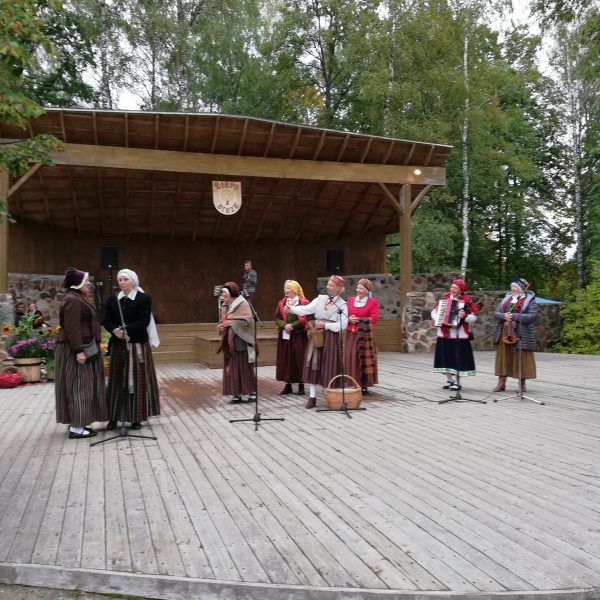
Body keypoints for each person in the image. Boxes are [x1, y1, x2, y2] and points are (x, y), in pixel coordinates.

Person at [103, 269, 160, 430]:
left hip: (137, 346)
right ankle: (113, 417)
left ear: (132, 281)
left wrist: (127, 331)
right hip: (118, 345)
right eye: (120, 280)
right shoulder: (113, 299)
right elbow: (106, 320)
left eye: (125, 279)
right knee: (116, 381)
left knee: (137, 380)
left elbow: (143, 320)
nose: (122, 282)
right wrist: (115, 330)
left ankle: (136, 417)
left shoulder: (143, 298)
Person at [55, 268, 106, 438]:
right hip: (75, 349)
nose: (89, 283)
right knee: (79, 386)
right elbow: (72, 328)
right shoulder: (73, 300)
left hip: (81, 347)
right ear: (77, 283)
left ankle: (79, 423)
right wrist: (79, 351)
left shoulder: (77, 297)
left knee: (81, 386)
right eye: (86, 281)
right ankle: (76, 428)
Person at [287, 275, 348, 409]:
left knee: (329, 364)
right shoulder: (320, 299)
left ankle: (332, 396)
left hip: (330, 337)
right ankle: (312, 397)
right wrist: (291, 308)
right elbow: (306, 309)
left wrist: (326, 325)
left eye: (331, 285)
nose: (328, 287)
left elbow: (343, 324)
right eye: (328, 284)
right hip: (317, 335)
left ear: (338, 289)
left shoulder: (342, 305)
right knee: (313, 363)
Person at [492, 277, 538, 393]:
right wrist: (504, 316)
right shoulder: (507, 299)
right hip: (505, 331)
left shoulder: (529, 300)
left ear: (522, 288)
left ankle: (522, 383)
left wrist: (515, 316)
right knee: (503, 356)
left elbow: (533, 316)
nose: (512, 289)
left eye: (515, 287)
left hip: (521, 332)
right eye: (512, 287)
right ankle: (501, 382)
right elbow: (496, 313)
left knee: (521, 356)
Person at [431, 278, 478, 390]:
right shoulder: (444, 299)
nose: (452, 289)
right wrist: (439, 319)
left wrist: (465, 316)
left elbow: (474, 317)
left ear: (461, 290)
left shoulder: (466, 301)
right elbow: (434, 312)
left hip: (459, 334)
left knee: (457, 358)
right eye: (452, 287)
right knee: (445, 357)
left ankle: (457, 382)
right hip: (444, 334)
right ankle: (450, 380)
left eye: (455, 288)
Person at [217, 282, 257, 403]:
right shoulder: (225, 306)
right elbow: (222, 321)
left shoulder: (242, 303)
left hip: (241, 341)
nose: (222, 294)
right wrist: (221, 326)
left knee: (244, 367)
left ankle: (252, 392)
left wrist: (231, 323)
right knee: (232, 368)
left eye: (225, 292)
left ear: (231, 293)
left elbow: (249, 322)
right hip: (229, 342)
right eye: (222, 292)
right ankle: (236, 393)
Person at [344, 278, 379, 395]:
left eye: (361, 288)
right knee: (351, 357)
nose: (358, 290)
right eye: (358, 288)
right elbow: (344, 314)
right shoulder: (350, 300)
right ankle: (351, 382)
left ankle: (364, 384)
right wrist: (349, 319)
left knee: (363, 358)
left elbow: (374, 318)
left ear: (367, 291)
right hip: (351, 333)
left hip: (364, 334)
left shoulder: (372, 302)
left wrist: (359, 320)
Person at [275, 280, 309, 396]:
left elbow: (305, 319)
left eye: (288, 288)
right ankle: (288, 385)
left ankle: (301, 385)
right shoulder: (281, 303)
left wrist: (292, 326)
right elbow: (277, 318)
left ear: (295, 289)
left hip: (299, 336)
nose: (286, 290)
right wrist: (284, 325)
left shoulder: (303, 302)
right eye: (285, 288)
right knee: (286, 360)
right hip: (285, 336)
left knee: (299, 359)